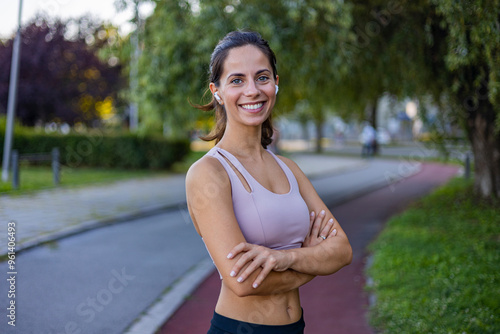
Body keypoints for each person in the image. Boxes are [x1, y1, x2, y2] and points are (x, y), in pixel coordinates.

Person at [186, 30, 352, 334]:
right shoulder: (209, 173)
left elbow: (342, 250)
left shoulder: (289, 168)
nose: (252, 90)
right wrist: (314, 261)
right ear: (217, 91)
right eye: (237, 80)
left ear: (276, 82)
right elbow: (243, 281)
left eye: (262, 77)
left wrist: (282, 258)